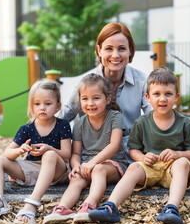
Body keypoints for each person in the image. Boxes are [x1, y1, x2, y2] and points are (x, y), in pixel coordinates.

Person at [89, 66, 190, 224]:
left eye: (168, 94)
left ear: (176, 97)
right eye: (157, 94)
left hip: (172, 169)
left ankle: (171, 208)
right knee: (133, 167)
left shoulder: (185, 123)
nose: (162, 99)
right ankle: (111, 206)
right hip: (150, 167)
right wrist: (142, 158)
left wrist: (177, 154)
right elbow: (133, 149)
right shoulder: (141, 122)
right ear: (148, 97)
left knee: (183, 163)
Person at [0, 79, 72, 224]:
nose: (42, 107)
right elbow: (7, 153)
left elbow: (66, 154)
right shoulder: (26, 129)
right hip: (31, 170)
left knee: (49, 155)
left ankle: (33, 203)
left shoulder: (62, 125)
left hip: (56, 171)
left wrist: (49, 148)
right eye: (37, 104)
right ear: (31, 106)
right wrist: (19, 151)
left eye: (47, 104)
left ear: (57, 106)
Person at [57, 22, 152, 163]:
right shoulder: (85, 83)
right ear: (99, 50)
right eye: (109, 48)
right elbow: (65, 115)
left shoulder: (142, 81)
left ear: (130, 51)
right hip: (91, 154)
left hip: (131, 153)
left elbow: (156, 116)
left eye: (121, 49)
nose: (115, 55)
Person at [43, 74, 127, 224]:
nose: (90, 103)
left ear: (107, 99)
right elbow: (75, 153)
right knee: (76, 178)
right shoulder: (80, 123)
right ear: (80, 100)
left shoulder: (115, 117)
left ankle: (89, 205)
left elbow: (114, 145)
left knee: (98, 169)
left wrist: (92, 163)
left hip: (112, 164)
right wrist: (76, 166)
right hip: (87, 165)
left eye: (96, 98)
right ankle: (63, 208)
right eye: (85, 99)